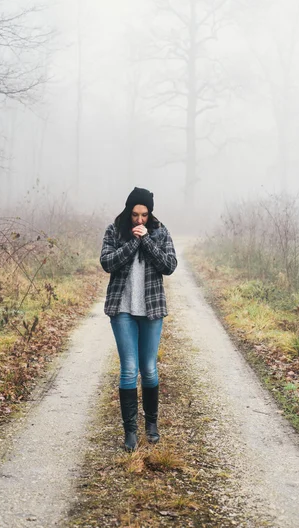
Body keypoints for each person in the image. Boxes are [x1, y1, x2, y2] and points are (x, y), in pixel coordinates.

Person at [100, 187, 177, 452]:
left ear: (150, 213)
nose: (140, 220)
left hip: (152, 310)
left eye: (144, 215)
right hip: (121, 309)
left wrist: (146, 241)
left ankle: (151, 426)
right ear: (128, 211)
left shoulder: (160, 232)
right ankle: (130, 432)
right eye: (135, 214)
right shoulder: (114, 230)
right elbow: (107, 262)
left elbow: (169, 266)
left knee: (149, 369)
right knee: (129, 369)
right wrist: (133, 242)